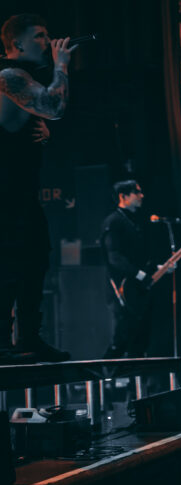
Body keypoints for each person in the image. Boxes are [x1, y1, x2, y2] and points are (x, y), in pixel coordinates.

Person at [0, 13, 73, 363]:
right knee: (11, 265)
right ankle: (6, 342)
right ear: (18, 43)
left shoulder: (20, 78)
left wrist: (42, 134)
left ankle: (27, 338)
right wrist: (62, 65)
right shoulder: (9, 76)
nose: (47, 42)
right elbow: (54, 106)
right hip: (6, 196)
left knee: (33, 260)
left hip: (20, 193)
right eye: (40, 36)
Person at [101, 180, 157, 358]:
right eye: (136, 192)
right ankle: (107, 371)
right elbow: (115, 257)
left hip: (136, 288)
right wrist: (139, 274)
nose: (141, 196)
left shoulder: (135, 221)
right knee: (123, 333)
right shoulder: (114, 222)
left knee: (140, 334)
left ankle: (136, 370)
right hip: (121, 288)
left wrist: (156, 268)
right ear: (123, 196)